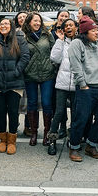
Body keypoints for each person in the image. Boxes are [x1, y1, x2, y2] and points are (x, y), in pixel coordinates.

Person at [67, 16, 98, 162]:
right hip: (86, 88)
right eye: (93, 30)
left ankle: (91, 145)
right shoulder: (77, 44)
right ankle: (74, 147)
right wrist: (82, 84)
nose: (97, 32)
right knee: (81, 118)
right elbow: (76, 65)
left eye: (97, 29)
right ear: (85, 32)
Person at [0, 18, 31, 156]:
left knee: (13, 112)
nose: (3, 25)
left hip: (15, 83)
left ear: (11, 26)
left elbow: (25, 57)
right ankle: (2, 139)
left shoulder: (19, 39)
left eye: (6, 23)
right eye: (1, 24)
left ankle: (12, 140)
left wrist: (17, 71)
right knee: (0, 111)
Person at [22, 12, 56, 147]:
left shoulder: (47, 35)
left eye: (39, 21)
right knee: (32, 103)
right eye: (34, 21)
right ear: (29, 22)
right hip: (30, 74)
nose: (37, 23)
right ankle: (34, 132)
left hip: (47, 73)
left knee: (47, 103)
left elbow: (54, 51)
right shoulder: (23, 37)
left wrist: (52, 65)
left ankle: (47, 132)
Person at [47, 18, 78, 155]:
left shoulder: (81, 42)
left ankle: (73, 139)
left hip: (77, 83)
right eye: (66, 26)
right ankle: (52, 140)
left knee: (76, 113)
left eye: (71, 25)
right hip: (62, 83)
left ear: (76, 27)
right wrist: (59, 40)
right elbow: (55, 58)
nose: (69, 28)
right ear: (63, 30)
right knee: (59, 112)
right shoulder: (61, 42)